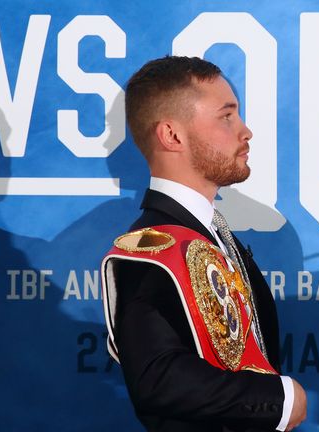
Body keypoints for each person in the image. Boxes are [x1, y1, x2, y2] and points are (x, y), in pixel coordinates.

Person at [102, 55, 306, 432]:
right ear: (172, 135)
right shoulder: (149, 252)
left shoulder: (214, 233)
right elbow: (157, 378)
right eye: (226, 117)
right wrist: (280, 400)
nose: (245, 131)